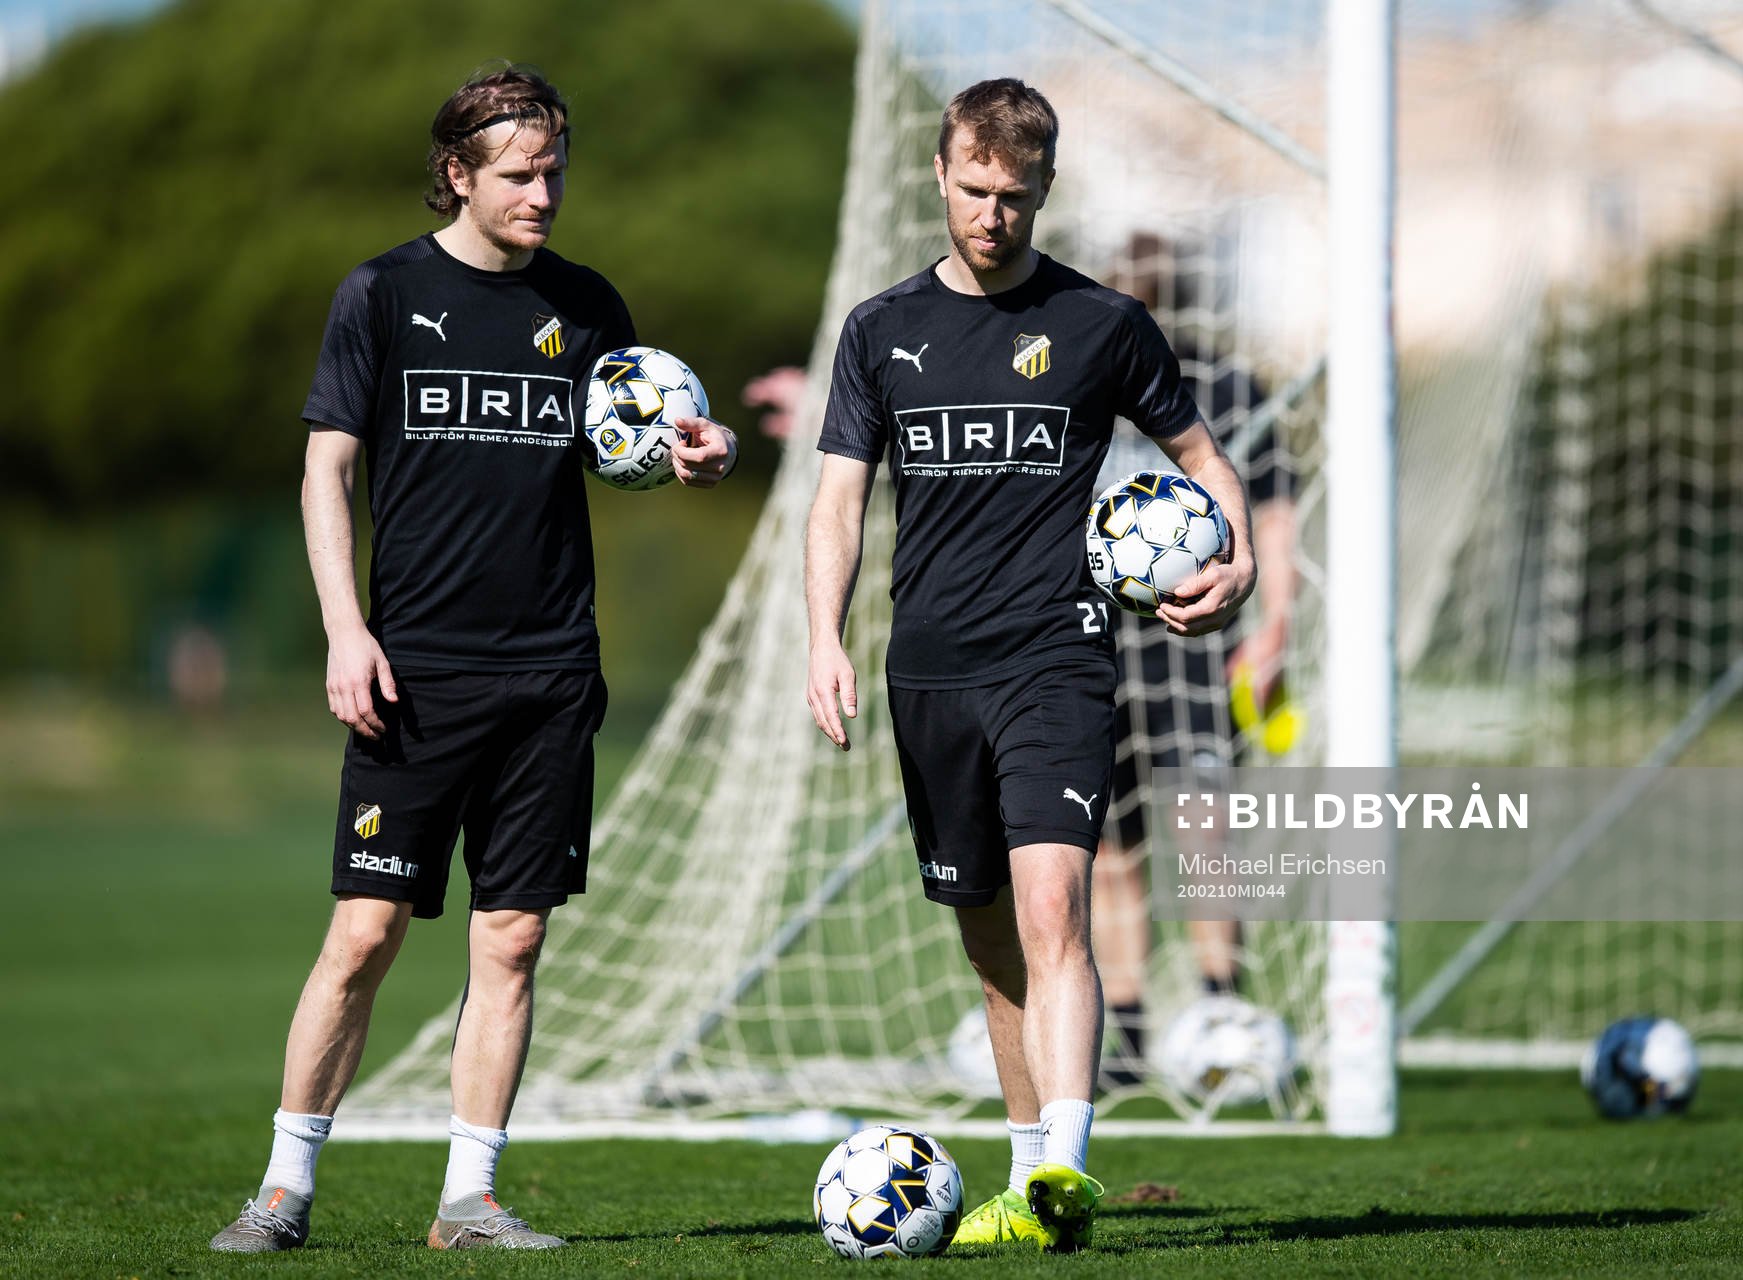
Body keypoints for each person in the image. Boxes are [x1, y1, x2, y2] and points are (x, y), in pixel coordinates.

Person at [209, 65, 738, 1254]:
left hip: (552, 671)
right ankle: (285, 1187)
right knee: (365, 932)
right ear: (458, 172)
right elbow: (326, 471)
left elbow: (641, 439)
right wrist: (348, 628)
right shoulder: (383, 294)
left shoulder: (589, 303)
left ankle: (471, 1199)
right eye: (519, 175)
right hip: (415, 673)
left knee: (512, 937)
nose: (544, 193)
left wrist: (702, 451)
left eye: (554, 171)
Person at [804, 78, 1255, 1253]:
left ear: (1045, 188)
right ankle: (1023, 1177)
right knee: (989, 934)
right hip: (929, 673)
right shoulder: (878, 329)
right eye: (974, 189)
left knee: (1058, 903)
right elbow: (839, 500)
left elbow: (1205, 456)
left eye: (1015, 195)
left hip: (1060, 657)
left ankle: (1066, 1164)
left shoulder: (1104, 323)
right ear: (940, 174)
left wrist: (1239, 561)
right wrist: (821, 635)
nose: (993, 214)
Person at [1089, 233, 1297, 1087]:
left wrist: (1276, 625)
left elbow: (1275, 510)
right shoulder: (1080, 376)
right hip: (1094, 639)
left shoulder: (1224, 387)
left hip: (1200, 643)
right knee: (1105, 844)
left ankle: (1221, 1012)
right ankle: (1130, 1034)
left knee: (1206, 834)